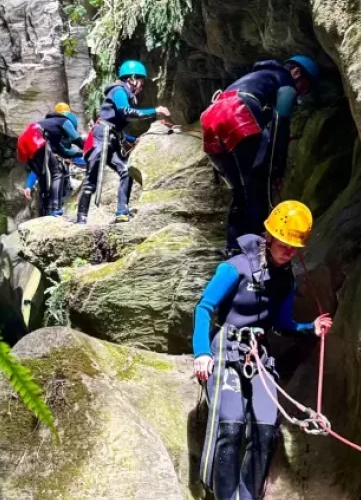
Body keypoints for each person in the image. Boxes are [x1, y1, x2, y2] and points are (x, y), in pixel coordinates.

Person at [193, 200, 332, 500]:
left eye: (295, 247)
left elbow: (282, 324)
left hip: (259, 354)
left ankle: (249, 495)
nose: (290, 252)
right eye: (285, 244)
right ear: (270, 236)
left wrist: (310, 328)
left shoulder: (285, 279)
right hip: (227, 350)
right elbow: (204, 308)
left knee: (266, 429)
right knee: (230, 428)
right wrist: (202, 352)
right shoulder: (236, 267)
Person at [201, 56, 320, 254]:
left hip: (211, 116)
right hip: (237, 113)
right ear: (297, 73)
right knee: (258, 186)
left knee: (240, 191)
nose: (300, 94)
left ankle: (233, 248)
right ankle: (255, 248)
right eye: (304, 87)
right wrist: (277, 168)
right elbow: (281, 122)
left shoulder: (256, 77)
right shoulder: (285, 81)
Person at [75, 60, 171, 224]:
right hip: (101, 137)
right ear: (132, 78)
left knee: (126, 171)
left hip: (111, 137)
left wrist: (137, 138)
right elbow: (126, 112)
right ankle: (81, 219)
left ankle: (121, 211)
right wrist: (155, 111)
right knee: (92, 180)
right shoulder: (119, 90)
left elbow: (118, 124)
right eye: (140, 80)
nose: (142, 85)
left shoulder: (125, 94)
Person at [17, 110, 84, 217]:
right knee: (57, 173)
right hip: (36, 139)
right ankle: (55, 209)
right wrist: (88, 149)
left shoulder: (50, 128)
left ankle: (44, 212)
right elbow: (77, 139)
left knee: (43, 176)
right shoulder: (64, 121)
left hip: (24, 144)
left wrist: (80, 153)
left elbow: (64, 152)